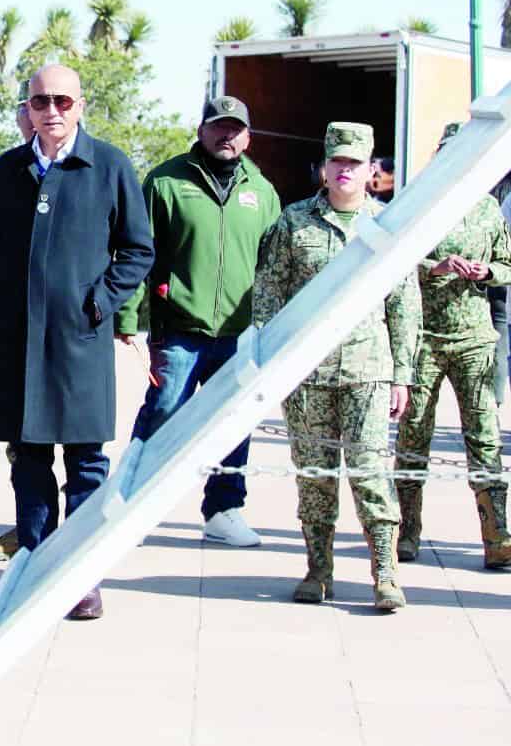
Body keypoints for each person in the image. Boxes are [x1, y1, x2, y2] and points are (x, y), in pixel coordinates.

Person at [0, 64, 154, 621]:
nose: (51, 111)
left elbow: (138, 250)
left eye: (62, 101)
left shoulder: (110, 165)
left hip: (79, 342)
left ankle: (80, 576)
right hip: (16, 343)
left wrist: (99, 301)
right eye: (40, 101)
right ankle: (33, 564)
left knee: (85, 462)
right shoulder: (9, 168)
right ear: (27, 106)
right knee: (27, 458)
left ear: (80, 104)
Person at [255, 121, 421, 610]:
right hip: (308, 376)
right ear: (323, 168)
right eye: (337, 162)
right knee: (314, 477)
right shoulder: (293, 222)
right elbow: (268, 293)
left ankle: (386, 574)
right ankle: (318, 569)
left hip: (368, 372)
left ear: (371, 170)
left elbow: (404, 305)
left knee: (370, 475)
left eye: (354, 163)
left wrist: (402, 375)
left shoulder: (387, 226)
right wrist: (272, 360)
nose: (344, 170)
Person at [114, 95, 282, 547]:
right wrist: (127, 316)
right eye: (217, 126)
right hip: (179, 329)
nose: (226, 135)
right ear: (202, 129)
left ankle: (224, 509)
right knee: (164, 413)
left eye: (235, 128)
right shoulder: (166, 182)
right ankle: (129, 505)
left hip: (239, 332)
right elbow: (137, 253)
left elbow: (273, 265)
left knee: (235, 421)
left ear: (247, 137)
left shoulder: (262, 193)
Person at [394, 122, 511, 568]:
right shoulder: (418, 205)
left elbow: (508, 263)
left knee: (484, 437)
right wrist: (436, 267)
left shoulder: (487, 209)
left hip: (474, 340)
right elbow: (397, 262)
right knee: (413, 434)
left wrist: (488, 273)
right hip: (423, 337)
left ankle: (496, 534)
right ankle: (407, 532)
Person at [0, 99, 42, 561]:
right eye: (28, 107)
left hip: (68, 336)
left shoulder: (96, 164)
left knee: (78, 450)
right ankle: (28, 528)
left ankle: (69, 541)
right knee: (22, 444)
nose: (34, 115)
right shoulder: (10, 168)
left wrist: (107, 310)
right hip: (11, 334)